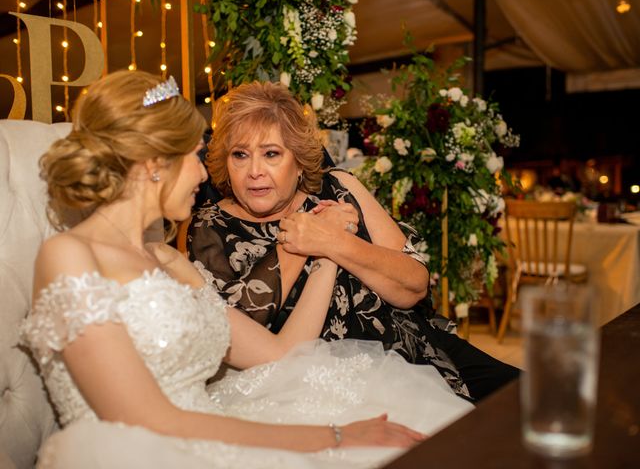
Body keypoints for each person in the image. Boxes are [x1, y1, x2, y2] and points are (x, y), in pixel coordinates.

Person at [20, 71, 474, 469]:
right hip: (146, 450)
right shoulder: (69, 254)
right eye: (197, 156)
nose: (204, 176)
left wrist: (327, 253)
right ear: (154, 165)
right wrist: (334, 436)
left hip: (211, 425)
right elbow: (150, 420)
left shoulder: (171, 261)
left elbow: (279, 354)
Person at [187, 81, 519, 402]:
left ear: (300, 162)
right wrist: (301, 241)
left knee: (531, 399)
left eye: (271, 153)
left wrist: (334, 242)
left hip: (415, 349)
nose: (254, 170)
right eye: (240, 155)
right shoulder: (211, 225)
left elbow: (414, 286)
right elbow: (238, 330)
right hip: (323, 387)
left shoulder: (340, 187)